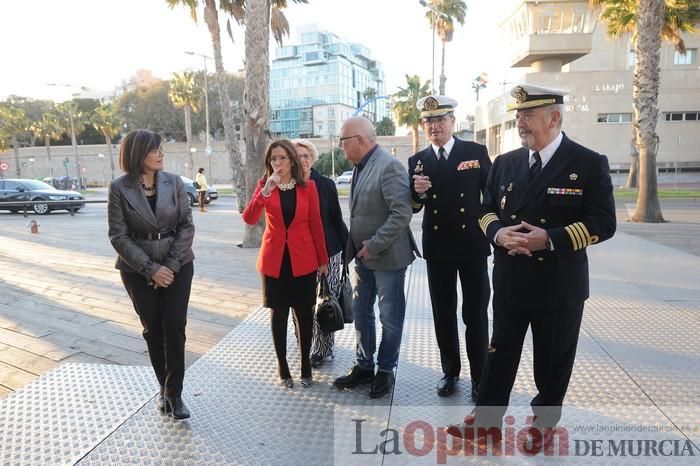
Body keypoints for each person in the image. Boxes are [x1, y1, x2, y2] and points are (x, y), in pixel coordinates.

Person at [447, 84, 616, 444]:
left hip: (559, 284)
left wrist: (550, 238)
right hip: (510, 279)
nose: (520, 123)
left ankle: (543, 425)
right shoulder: (506, 163)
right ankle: (487, 422)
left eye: (528, 116)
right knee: (498, 355)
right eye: (519, 116)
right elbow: (485, 209)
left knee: (552, 361)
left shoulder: (587, 163)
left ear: (554, 118)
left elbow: (604, 222)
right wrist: (498, 234)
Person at [107, 129, 195, 420]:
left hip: (178, 265)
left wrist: (168, 266)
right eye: (153, 150)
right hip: (136, 270)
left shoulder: (175, 183)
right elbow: (118, 237)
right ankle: (164, 389)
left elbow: (186, 226)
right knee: (153, 331)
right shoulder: (119, 188)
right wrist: (151, 269)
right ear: (136, 154)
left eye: (161, 149)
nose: (161, 154)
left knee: (174, 326)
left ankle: (176, 395)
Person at [408, 95, 492, 400]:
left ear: (452, 122)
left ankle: (480, 376)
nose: (434, 126)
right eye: (429, 121)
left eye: (440, 120)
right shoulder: (417, 161)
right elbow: (415, 207)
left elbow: (491, 196)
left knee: (475, 313)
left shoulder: (475, 151)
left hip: (471, 245)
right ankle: (450, 372)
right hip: (439, 246)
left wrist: (494, 231)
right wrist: (416, 195)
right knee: (443, 313)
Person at [333, 116, 419, 399]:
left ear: (360, 140)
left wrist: (374, 244)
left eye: (343, 140)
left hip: (388, 259)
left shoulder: (389, 166)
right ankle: (364, 364)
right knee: (361, 313)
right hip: (363, 257)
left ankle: (385, 370)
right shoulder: (360, 166)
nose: (340, 147)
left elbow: (401, 214)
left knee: (389, 317)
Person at [242, 139, 329, 389]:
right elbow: (249, 218)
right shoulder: (265, 186)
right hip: (274, 260)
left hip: (303, 260)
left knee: (304, 314)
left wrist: (323, 260)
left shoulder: (308, 187)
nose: (277, 163)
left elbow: (316, 225)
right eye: (273, 159)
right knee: (278, 313)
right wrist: (265, 191)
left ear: (291, 159)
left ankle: (305, 364)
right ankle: (282, 365)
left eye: (282, 158)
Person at [293, 139, 349, 369]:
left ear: (312, 158)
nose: (302, 160)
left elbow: (336, 218)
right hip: (297, 256)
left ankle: (323, 350)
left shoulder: (325, 184)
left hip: (328, 252)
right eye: (297, 156)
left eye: (306, 156)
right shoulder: (286, 185)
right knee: (299, 305)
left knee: (325, 302)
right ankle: (304, 346)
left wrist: (347, 251)